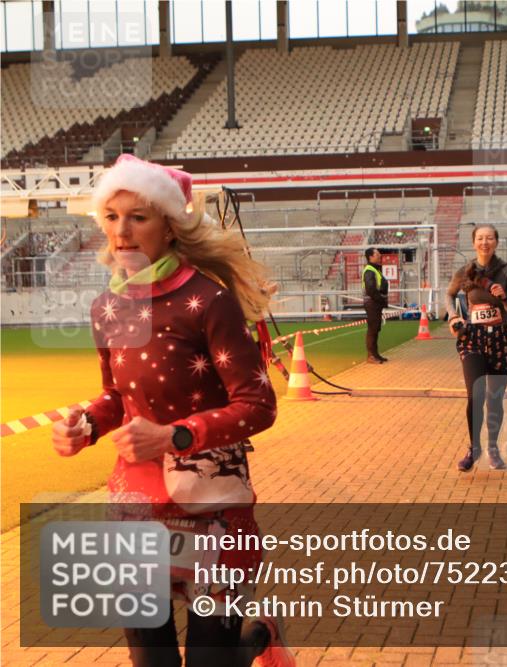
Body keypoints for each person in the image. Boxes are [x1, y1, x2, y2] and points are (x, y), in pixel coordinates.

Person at [50, 155, 292, 667]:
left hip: (211, 506)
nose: (122, 231)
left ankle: (257, 639)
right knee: (150, 658)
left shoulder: (208, 301)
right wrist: (88, 424)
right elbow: (117, 396)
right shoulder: (107, 307)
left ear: (170, 225)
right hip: (137, 505)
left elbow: (259, 404)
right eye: (112, 217)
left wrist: (175, 436)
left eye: (138, 216)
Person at [445, 224, 507, 472]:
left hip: (500, 339)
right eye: (480, 238)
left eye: (489, 238)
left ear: (496, 242)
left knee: (494, 400)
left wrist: (504, 299)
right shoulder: (466, 271)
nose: (484, 242)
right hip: (473, 339)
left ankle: (492, 447)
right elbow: (448, 295)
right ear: (474, 242)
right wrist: (453, 317)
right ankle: (473, 447)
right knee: (474, 395)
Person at [362, 247, 389, 364]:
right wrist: (381, 300)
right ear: (371, 257)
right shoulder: (369, 270)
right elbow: (371, 290)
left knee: (376, 329)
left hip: (375, 303)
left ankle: (375, 354)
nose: (380, 256)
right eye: (377, 254)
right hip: (373, 303)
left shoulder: (375, 270)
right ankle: (371, 356)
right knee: (373, 329)